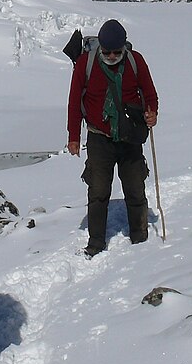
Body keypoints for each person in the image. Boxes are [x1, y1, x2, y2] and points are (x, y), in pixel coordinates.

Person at [66, 18, 159, 256]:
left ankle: (140, 237)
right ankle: (96, 242)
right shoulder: (85, 64)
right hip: (99, 138)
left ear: (124, 47)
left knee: (135, 187)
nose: (111, 56)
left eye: (116, 52)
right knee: (98, 192)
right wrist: (73, 136)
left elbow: (149, 93)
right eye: (106, 52)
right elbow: (75, 102)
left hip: (129, 136)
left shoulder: (135, 61)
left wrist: (152, 113)